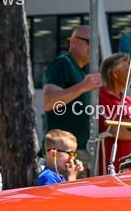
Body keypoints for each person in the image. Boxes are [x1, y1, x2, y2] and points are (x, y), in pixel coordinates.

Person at [42, 26, 102, 172]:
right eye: (89, 42)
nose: (93, 48)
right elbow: (48, 102)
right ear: (74, 42)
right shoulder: (63, 63)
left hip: (76, 152)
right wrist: (83, 86)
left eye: (96, 44)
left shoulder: (79, 71)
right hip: (63, 154)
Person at [96, 53, 131, 174]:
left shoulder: (129, 100)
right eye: (128, 70)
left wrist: (124, 123)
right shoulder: (100, 98)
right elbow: (113, 130)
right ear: (115, 73)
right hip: (111, 169)